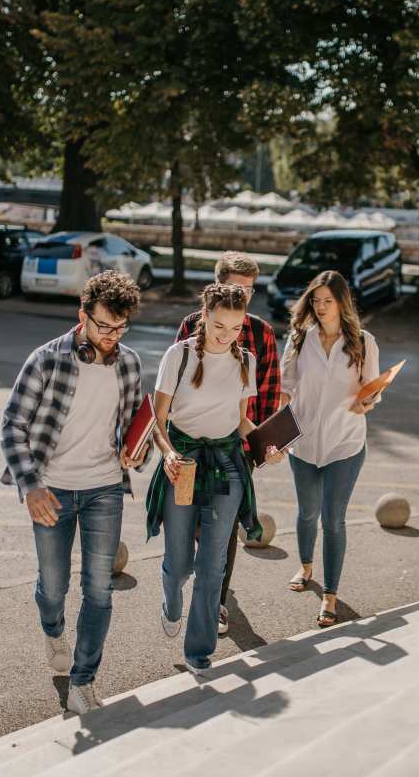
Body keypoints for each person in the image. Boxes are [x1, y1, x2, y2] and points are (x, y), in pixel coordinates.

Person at [0, 271, 151, 714]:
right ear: (82, 315)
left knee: (99, 590)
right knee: (52, 586)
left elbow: (131, 432)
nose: (110, 337)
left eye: (120, 328)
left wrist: (135, 455)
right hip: (51, 490)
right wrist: (30, 486)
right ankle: (52, 629)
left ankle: (83, 681)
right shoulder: (47, 360)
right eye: (103, 326)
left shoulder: (129, 363)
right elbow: (12, 425)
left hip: (104, 488)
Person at [147, 283, 284, 674]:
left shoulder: (246, 361)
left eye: (236, 327)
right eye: (219, 326)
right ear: (203, 316)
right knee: (178, 563)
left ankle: (199, 653)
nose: (227, 335)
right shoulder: (179, 355)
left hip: (226, 464)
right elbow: (158, 420)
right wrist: (170, 453)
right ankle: (171, 600)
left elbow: (241, 421)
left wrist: (266, 445)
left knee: (212, 565)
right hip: (184, 462)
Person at [174, 251, 281, 635]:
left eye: (250, 289)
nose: (245, 295)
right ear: (216, 288)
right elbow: (174, 389)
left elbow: (269, 395)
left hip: (236, 446)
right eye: (237, 287)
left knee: (225, 524)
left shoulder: (262, 333)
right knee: (189, 523)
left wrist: (262, 447)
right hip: (189, 445)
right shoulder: (190, 326)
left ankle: (216, 601)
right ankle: (185, 583)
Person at [280, 270, 380, 628]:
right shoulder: (298, 339)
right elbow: (286, 388)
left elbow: (372, 389)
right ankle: (306, 566)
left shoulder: (363, 342)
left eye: (328, 301)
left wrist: (366, 402)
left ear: (342, 302)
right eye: (316, 301)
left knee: (333, 519)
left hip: (346, 444)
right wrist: (274, 435)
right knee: (307, 513)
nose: (321, 308)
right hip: (303, 443)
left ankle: (330, 594)